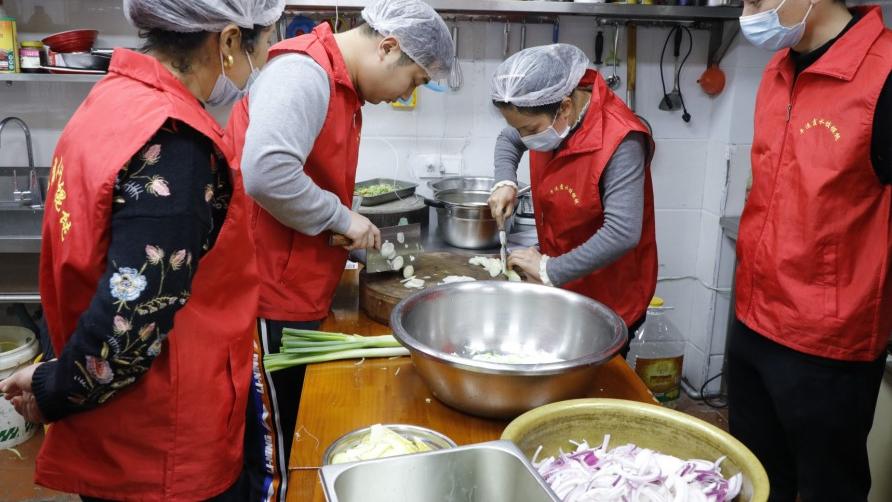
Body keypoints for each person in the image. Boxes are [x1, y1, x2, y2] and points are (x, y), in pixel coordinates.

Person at [0, 0, 283, 499]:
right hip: (160, 452)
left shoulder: (110, 100)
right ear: (229, 41)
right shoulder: (174, 144)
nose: (253, 68)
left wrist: (56, 374)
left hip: (117, 435)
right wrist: (53, 388)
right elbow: (127, 327)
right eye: (259, 49)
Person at [224, 0, 453, 499]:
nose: (405, 94)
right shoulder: (304, 75)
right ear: (388, 48)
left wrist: (340, 234)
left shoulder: (341, 86)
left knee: (288, 431)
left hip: (294, 287)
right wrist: (340, 217)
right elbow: (267, 174)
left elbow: (304, 180)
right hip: (264, 295)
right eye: (413, 81)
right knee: (276, 452)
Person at [729, 0, 892, 500]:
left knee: (827, 488)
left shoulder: (884, 79)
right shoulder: (779, 68)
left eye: (756, 1)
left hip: (828, 347)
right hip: (752, 321)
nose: (746, 11)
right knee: (754, 479)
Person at [488, 44, 658, 351]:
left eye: (530, 129)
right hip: (563, 284)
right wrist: (505, 181)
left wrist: (548, 270)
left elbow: (622, 233)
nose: (525, 137)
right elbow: (509, 138)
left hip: (609, 296)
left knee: (594, 387)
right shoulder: (548, 116)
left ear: (565, 107)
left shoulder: (621, 139)